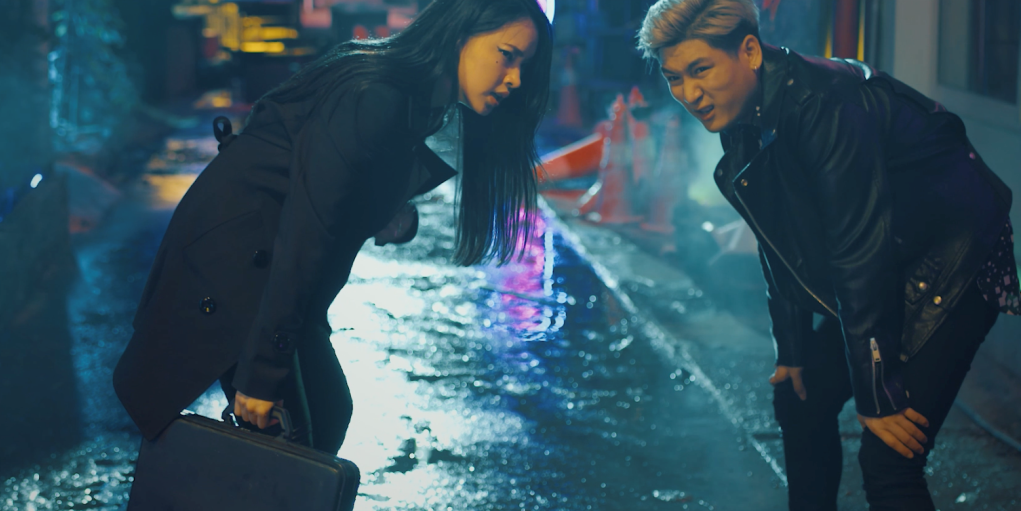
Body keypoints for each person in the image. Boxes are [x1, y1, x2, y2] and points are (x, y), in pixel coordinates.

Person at [113, 0, 553, 455]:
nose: (516, 79)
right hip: (239, 267)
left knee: (323, 417)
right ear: (459, 34)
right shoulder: (376, 93)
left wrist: (388, 210)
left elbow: (337, 182)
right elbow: (307, 228)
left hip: (270, 267)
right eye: (507, 55)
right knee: (296, 441)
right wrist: (261, 373)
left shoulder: (415, 97)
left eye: (525, 65)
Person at [638, 1, 1018, 509]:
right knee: (799, 397)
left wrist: (878, 394)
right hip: (888, 261)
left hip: (955, 260)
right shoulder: (741, 110)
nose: (689, 94)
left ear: (748, 51)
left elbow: (858, 249)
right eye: (674, 78)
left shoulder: (825, 105)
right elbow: (780, 236)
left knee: (888, 456)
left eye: (701, 70)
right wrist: (792, 348)